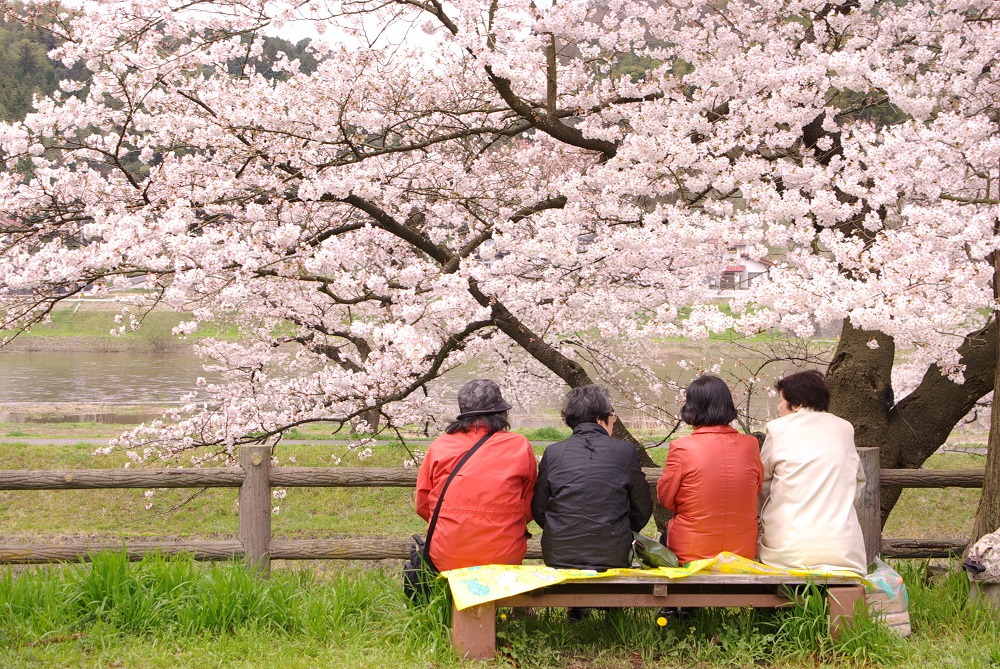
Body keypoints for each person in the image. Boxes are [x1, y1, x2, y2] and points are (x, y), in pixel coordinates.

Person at [415, 379, 538, 572]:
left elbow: (423, 504)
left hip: (446, 554)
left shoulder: (440, 445)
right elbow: (528, 502)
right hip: (504, 554)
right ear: (501, 413)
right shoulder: (519, 445)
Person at [757, 369, 868, 574]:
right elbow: (858, 481)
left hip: (788, 550)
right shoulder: (845, 428)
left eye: (781, 400)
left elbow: (762, 484)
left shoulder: (777, 429)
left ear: (797, 404)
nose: (779, 407)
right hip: (844, 550)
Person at [532, 384, 653, 570]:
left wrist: (559, 529)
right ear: (600, 419)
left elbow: (540, 508)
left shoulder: (553, 453)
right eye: (612, 416)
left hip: (560, 553)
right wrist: (621, 528)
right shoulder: (625, 451)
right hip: (612, 553)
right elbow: (642, 507)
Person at [656, 375, 763, 564]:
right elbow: (755, 488)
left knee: (664, 540)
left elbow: (666, 497)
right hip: (742, 552)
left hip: (692, 550)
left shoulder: (682, 447)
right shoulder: (751, 445)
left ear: (692, 408)